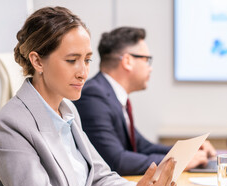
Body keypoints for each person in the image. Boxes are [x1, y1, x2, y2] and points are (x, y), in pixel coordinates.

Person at [0, 7, 178, 186]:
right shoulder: (10, 125)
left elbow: (100, 179)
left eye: (87, 60)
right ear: (37, 61)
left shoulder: (67, 110)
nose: (83, 72)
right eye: (72, 61)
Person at [74, 27, 216, 176]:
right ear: (127, 61)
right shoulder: (94, 96)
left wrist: (189, 150)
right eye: (147, 60)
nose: (151, 68)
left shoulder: (112, 96)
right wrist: (177, 161)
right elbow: (117, 160)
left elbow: (144, 147)